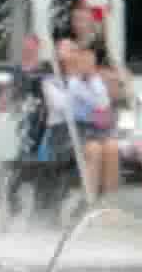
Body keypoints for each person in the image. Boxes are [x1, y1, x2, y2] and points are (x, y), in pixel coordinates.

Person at [42, 40, 122, 201]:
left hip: (92, 132)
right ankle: (89, 203)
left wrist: (92, 76)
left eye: (76, 49)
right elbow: (66, 107)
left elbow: (103, 106)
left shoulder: (91, 81)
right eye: (69, 49)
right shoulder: (51, 82)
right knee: (93, 149)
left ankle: (110, 203)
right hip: (65, 135)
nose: (76, 53)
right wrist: (76, 79)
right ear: (58, 57)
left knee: (112, 147)